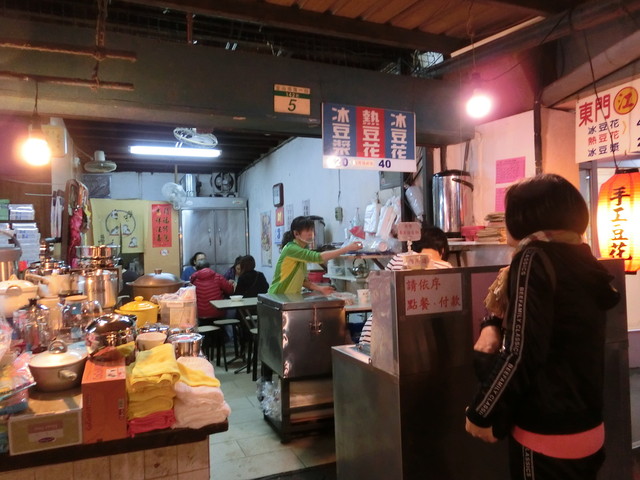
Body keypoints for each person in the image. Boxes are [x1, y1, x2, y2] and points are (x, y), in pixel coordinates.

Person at [464, 173, 620, 480]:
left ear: (525, 217)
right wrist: (493, 322)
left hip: (546, 430)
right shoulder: (581, 256)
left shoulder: (532, 257)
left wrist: (482, 411)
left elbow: (522, 352)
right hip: (587, 424)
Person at [359, 225, 452, 345]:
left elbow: (377, 291)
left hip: (371, 333)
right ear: (443, 250)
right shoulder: (446, 268)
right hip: (406, 341)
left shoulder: (398, 258)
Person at [269, 216, 363, 295]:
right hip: (278, 295)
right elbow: (317, 257)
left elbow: (303, 281)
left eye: (311, 230)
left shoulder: (303, 249)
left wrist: (320, 288)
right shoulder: (291, 248)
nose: (311, 234)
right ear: (296, 234)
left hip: (289, 297)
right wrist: (346, 249)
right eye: (307, 231)